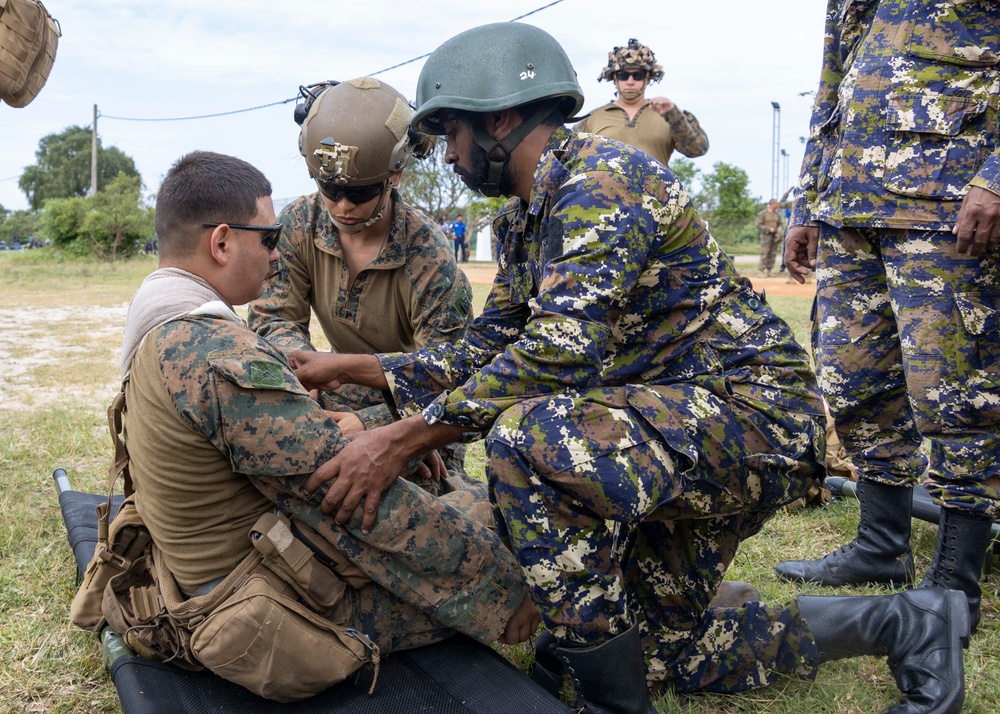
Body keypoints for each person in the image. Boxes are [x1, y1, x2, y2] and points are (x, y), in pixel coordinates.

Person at [287, 22, 971, 714]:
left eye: (453, 136)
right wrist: (352, 366)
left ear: (497, 119)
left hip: (752, 418)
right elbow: (485, 347)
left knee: (527, 439)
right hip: (676, 423)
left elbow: (556, 354)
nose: (450, 157)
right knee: (669, 656)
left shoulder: (602, 181)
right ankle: (910, 623)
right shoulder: (528, 216)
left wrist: (398, 440)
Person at [117, 150, 536, 696]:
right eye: (268, 240)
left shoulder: (164, 314)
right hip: (261, 607)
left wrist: (374, 435)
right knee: (510, 536)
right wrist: (504, 593)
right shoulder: (216, 354)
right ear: (221, 242)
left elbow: (287, 446)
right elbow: (355, 497)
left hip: (238, 567)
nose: (275, 256)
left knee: (459, 505)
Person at [778, 0, 1000, 639]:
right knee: (855, 385)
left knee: (957, 395)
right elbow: (832, 83)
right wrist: (808, 200)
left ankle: (954, 587)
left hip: (948, 204)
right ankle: (882, 548)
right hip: (851, 205)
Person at [247, 77, 474, 484]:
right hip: (327, 393)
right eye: (330, 189)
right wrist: (303, 381)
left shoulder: (429, 255)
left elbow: (452, 378)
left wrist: (372, 424)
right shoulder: (299, 224)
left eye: (362, 191)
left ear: (396, 177)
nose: (343, 206)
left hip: (416, 410)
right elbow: (273, 320)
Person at [573, 38, 708, 168]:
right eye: (623, 76)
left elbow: (697, 149)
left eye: (638, 76)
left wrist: (674, 116)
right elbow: (566, 156)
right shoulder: (593, 118)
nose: (630, 81)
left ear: (648, 79)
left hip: (654, 191)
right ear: (614, 79)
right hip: (603, 191)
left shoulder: (669, 115)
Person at [755, 199, 784, 277]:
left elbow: (780, 223)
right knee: (764, 253)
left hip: (775, 237)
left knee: (773, 254)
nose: (777, 205)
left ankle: (769, 270)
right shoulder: (763, 214)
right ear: (772, 204)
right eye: (776, 204)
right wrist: (768, 229)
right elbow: (758, 224)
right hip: (766, 237)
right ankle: (761, 271)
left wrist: (780, 228)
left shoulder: (777, 214)